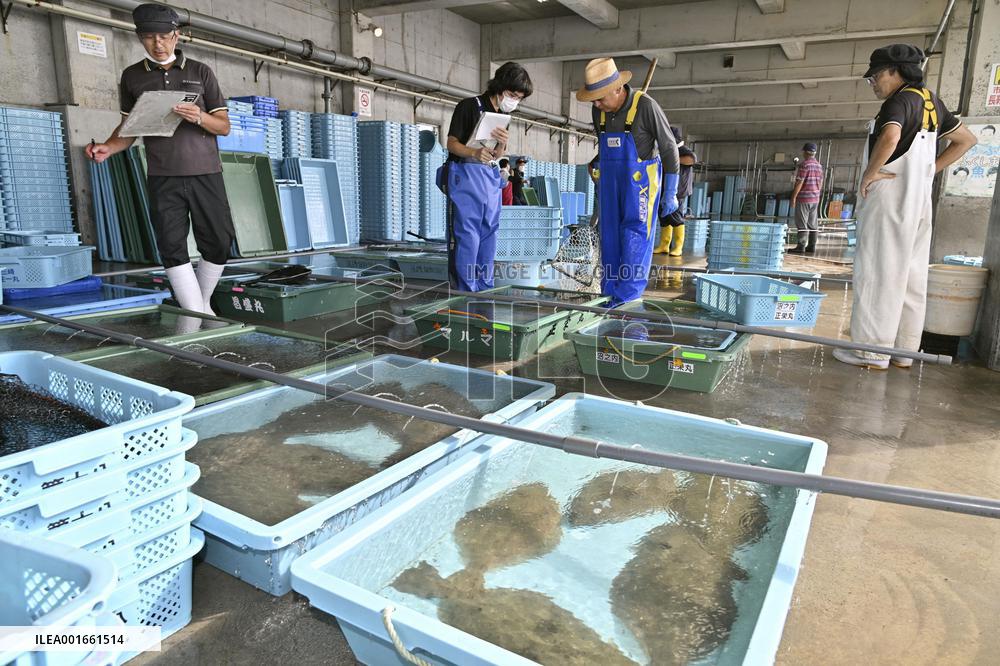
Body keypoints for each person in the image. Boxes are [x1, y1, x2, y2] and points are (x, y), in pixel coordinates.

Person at [834, 44, 977, 370]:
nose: (873, 83)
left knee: (879, 273)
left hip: (890, 200)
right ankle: (904, 353)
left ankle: (870, 353)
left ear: (895, 72)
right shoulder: (931, 100)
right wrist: (931, 170)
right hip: (918, 203)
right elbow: (967, 140)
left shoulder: (898, 101)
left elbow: (891, 137)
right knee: (912, 278)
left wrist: (870, 173)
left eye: (876, 76)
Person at [86, 3, 234, 316]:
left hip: (206, 171)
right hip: (162, 174)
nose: (158, 43)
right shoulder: (132, 77)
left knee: (219, 242)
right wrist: (108, 147)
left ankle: (201, 304)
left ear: (176, 36)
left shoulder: (200, 72)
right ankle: (198, 312)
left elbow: (224, 127)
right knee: (171, 245)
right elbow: (130, 128)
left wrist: (199, 117)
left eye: (164, 36)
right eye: (149, 37)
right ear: (140, 38)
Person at [577, 57, 679, 306]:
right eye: (594, 100)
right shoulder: (599, 109)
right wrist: (596, 163)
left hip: (640, 186)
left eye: (601, 98)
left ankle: (627, 307)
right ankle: (608, 300)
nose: (597, 105)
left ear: (617, 88)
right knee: (609, 240)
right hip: (611, 183)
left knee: (634, 243)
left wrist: (671, 191)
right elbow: (605, 145)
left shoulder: (646, 106)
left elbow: (669, 149)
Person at [442, 62, 531, 291]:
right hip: (465, 175)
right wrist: (473, 151)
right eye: (512, 94)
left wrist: (502, 143)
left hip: (488, 180)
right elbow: (451, 143)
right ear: (499, 87)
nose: (514, 101)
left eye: (519, 98)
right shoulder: (469, 106)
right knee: (467, 236)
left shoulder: (501, 116)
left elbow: (496, 155)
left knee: (489, 234)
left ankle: (484, 287)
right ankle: (465, 289)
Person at [654, 127, 696, 256]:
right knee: (664, 217)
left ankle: (678, 247)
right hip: (663, 189)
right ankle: (664, 245)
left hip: (677, 191)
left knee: (676, 217)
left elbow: (692, 159)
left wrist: (672, 157)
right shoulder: (665, 151)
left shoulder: (682, 150)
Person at [788, 142, 824, 254]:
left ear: (804, 152)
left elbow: (799, 182)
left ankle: (801, 246)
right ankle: (812, 246)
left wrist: (793, 197)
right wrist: (817, 193)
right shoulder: (819, 165)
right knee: (813, 223)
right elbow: (821, 182)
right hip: (815, 198)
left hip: (804, 199)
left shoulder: (805, 165)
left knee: (802, 223)